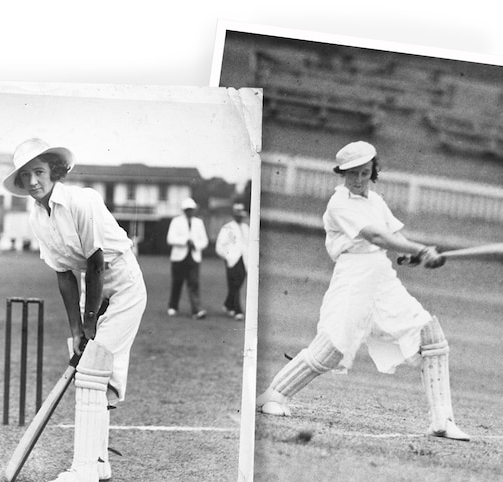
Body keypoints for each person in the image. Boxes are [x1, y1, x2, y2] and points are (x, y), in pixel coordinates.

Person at [255, 141, 469, 441]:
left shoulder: (376, 201)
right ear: (342, 173)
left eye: (364, 173)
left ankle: (442, 422)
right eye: (351, 174)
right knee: (331, 349)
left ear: (373, 172)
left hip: (382, 277)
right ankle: (272, 396)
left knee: (431, 338)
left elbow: (392, 236)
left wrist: (412, 255)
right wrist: (421, 248)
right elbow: (375, 235)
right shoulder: (339, 203)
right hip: (353, 277)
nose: (357, 180)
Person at [2, 138, 147, 482]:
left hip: (122, 282)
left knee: (91, 371)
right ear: (21, 183)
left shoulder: (82, 201)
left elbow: (96, 263)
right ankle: (98, 463)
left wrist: (90, 322)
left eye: (39, 172)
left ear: (53, 171)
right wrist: (75, 330)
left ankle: (81, 471)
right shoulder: (37, 216)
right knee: (91, 367)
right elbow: (64, 274)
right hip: (90, 285)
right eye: (26, 175)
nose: (34, 181)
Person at [166, 197, 209, 319]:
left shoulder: (198, 222)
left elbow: (204, 240)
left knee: (194, 283)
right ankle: (173, 306)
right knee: (177, 283)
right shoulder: (176, 221)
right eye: (187, 210)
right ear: (184, 210)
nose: (189, 212)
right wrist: (185, 241)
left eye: (191, 209)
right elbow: (170, 239)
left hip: (193, 257)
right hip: (179, 258)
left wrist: (196, 244)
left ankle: (196, 310)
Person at [214, 198, 250, 320]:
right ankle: (238, 310)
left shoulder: (246, 228)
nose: (240, 217)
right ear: (234, 215)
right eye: (237, 215)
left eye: (241, 215)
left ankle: (228, 304)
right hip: (232, 260)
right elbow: (220, 245)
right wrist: (227, 256)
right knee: (234, 284)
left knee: (237, 284)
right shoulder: (228, 227)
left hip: (244, 260)